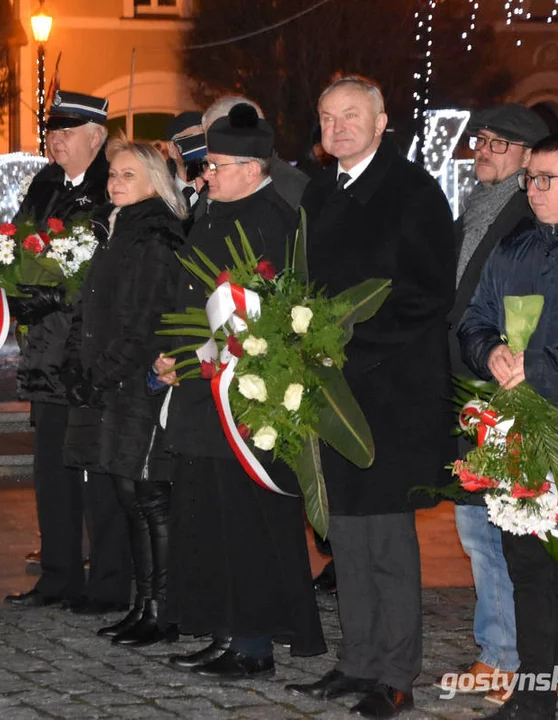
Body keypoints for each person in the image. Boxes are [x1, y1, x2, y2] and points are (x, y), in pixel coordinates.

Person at [286, 75, 455, 718]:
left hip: (390, 392)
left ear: (382, 120)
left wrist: (347, 347)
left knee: (385, 539)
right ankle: (356, 660)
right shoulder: (317, 191)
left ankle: (396, 672)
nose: (339, 128)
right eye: (328, 118)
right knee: (343, 534)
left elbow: (428, 292)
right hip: (331, 391)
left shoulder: (413, 191)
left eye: (352, 116)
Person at [152, 102, 327, 680]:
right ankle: (223, 629)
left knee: (248, 523)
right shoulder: (217, 208)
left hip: (244, 396)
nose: (207, 174)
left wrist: (203, 360)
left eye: (219, 164)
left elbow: (265, 315)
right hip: (203, 391)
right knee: (208, 520)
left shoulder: (272, 218)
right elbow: (188, 301)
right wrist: (175, 356)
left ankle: (254, 644)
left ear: (253, 167)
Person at [459, 131, 558, 720]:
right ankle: (534, 697)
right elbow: (475, 318)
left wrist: (544, 365)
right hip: (520, 432)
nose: (533, 191)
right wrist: (490, 355)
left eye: (547, 179)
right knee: (527, 571)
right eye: (530, 179)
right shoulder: (514, 248)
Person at [3, 91, 132, 615]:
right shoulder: (45, 183)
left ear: (96, 137)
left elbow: (116, 265)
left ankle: (107, 581)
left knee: (99, 470)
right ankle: (58, 575)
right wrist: (14, 283)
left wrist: (63, 294)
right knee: (52, 471)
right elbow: (19, 243)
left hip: (88, 353)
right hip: (44, 354)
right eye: (52, 132)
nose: (55, 140)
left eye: (67, 131)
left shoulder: (114, 184)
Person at [437, 104, 548, 703]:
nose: (484, 149)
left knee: (517, 526)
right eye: (482, 138)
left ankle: (523, 656)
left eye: (501, 143)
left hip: (507, 387)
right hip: (468, 383)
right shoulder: (477, 206)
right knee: (477, 523)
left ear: (531, 157)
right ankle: (498, 648)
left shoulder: (530, 213)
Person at [63, 138, 186, 646]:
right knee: (129, 495)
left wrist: (101, 374)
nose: (115, 182)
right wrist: (78, 364)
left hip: (140, 384)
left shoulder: (155, 236)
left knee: (148, 496)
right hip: (116, 383)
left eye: (127, 174)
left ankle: (163, 610)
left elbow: (144, 323)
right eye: (113, 173)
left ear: (154, 181)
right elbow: (94, 310)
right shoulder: (121, 230)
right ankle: (143, 604)